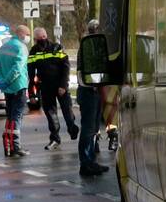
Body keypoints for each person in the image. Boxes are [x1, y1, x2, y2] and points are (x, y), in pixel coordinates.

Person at [28, 27, 79, 151]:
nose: (41, 40)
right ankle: (55, 138)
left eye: (43, 37)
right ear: (35, 40)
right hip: (45, 87)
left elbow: (66, 68)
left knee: (67, 111)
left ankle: (72, 128)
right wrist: (32, 94)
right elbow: (31, 73)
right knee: (51, 114)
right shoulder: (33, 51)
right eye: (39, 39)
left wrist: (63, 85)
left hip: (60, 85)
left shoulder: (57, 47)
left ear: (46, 36)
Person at [0, 24, 31, 158]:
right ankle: (15, 147)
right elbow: (18, 68)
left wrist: (1, 80)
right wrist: (8, 80)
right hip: (18, 86)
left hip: (7, 88)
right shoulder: (21, 47)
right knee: (17, 117)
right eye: (28, 35)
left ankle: (7, 146)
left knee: (10, 116)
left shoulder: (4, 46)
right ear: (22, 34)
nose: (28, 38)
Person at [76, 20, 108, 177]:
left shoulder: (93, 44)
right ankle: (86, 162)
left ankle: (91, 160)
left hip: (93, 90)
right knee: (88, 129)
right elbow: (85, 71)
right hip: (89, 91)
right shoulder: (88, 45)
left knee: (94, 128)